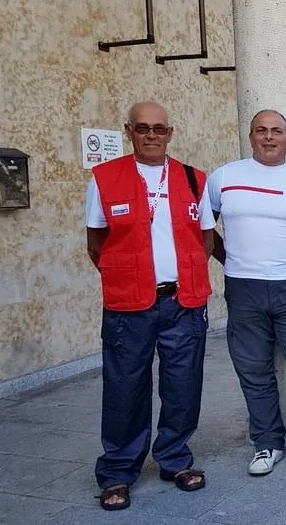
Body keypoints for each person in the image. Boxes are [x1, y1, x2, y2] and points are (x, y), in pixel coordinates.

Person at [85, 101, 214, 511]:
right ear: (129, 131)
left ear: (171, 133)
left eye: (159, 128)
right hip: (129, 306)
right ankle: (118, 472)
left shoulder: (194, 179)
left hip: (183, 301)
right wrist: (131, 273)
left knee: (183, 385)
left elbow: (205, 240)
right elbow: (96, 244)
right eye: (143, 128)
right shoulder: (105, 179)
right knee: (125, 387)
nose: (152, 135)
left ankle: (174, 459)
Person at [207, 109, 286, 481]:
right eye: (261, 130)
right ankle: (268, 441)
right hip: (243, 289)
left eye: (276, 131)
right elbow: (203, 228)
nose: (269, 137)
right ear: (250, 136)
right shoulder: (224, 178)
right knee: (253, 369)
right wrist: (227, 256)